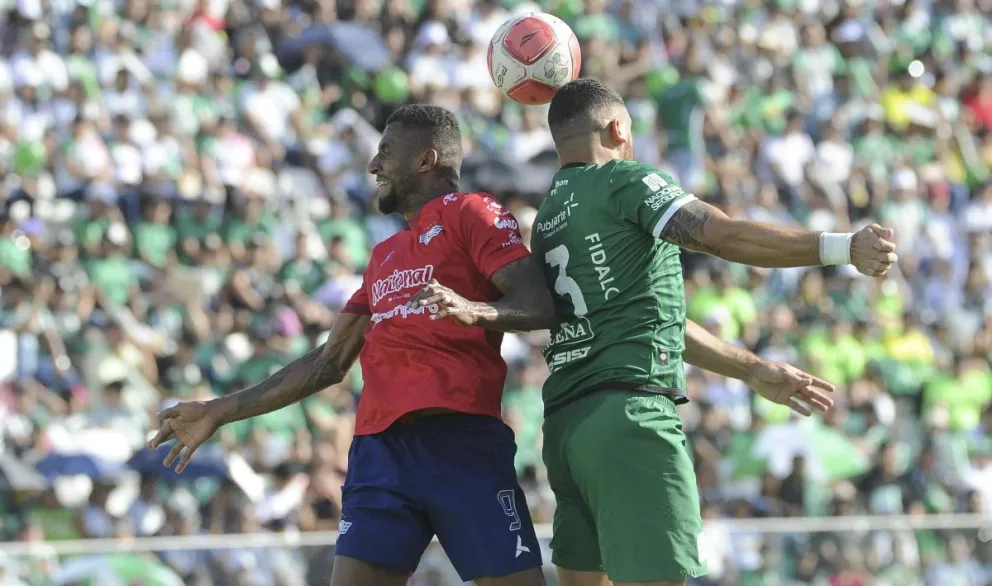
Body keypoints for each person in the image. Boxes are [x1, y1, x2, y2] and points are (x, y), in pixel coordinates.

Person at [489, 79, 895, 586]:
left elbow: (646, 316)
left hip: (569, 429)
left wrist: (750, 368)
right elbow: (721, 236)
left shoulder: (549, 216)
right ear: (618, 128)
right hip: (632, 417)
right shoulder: (624, 180)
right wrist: (840, 247)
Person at [148, 105, 556, 586]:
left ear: (427, 160)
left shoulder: (471, 212)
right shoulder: (384, 255)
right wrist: (220, 410)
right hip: (379, 455)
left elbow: (538, 302)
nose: (373, 165)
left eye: (385, 150)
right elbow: (328, 361)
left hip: (460, 442)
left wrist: (475, 310)